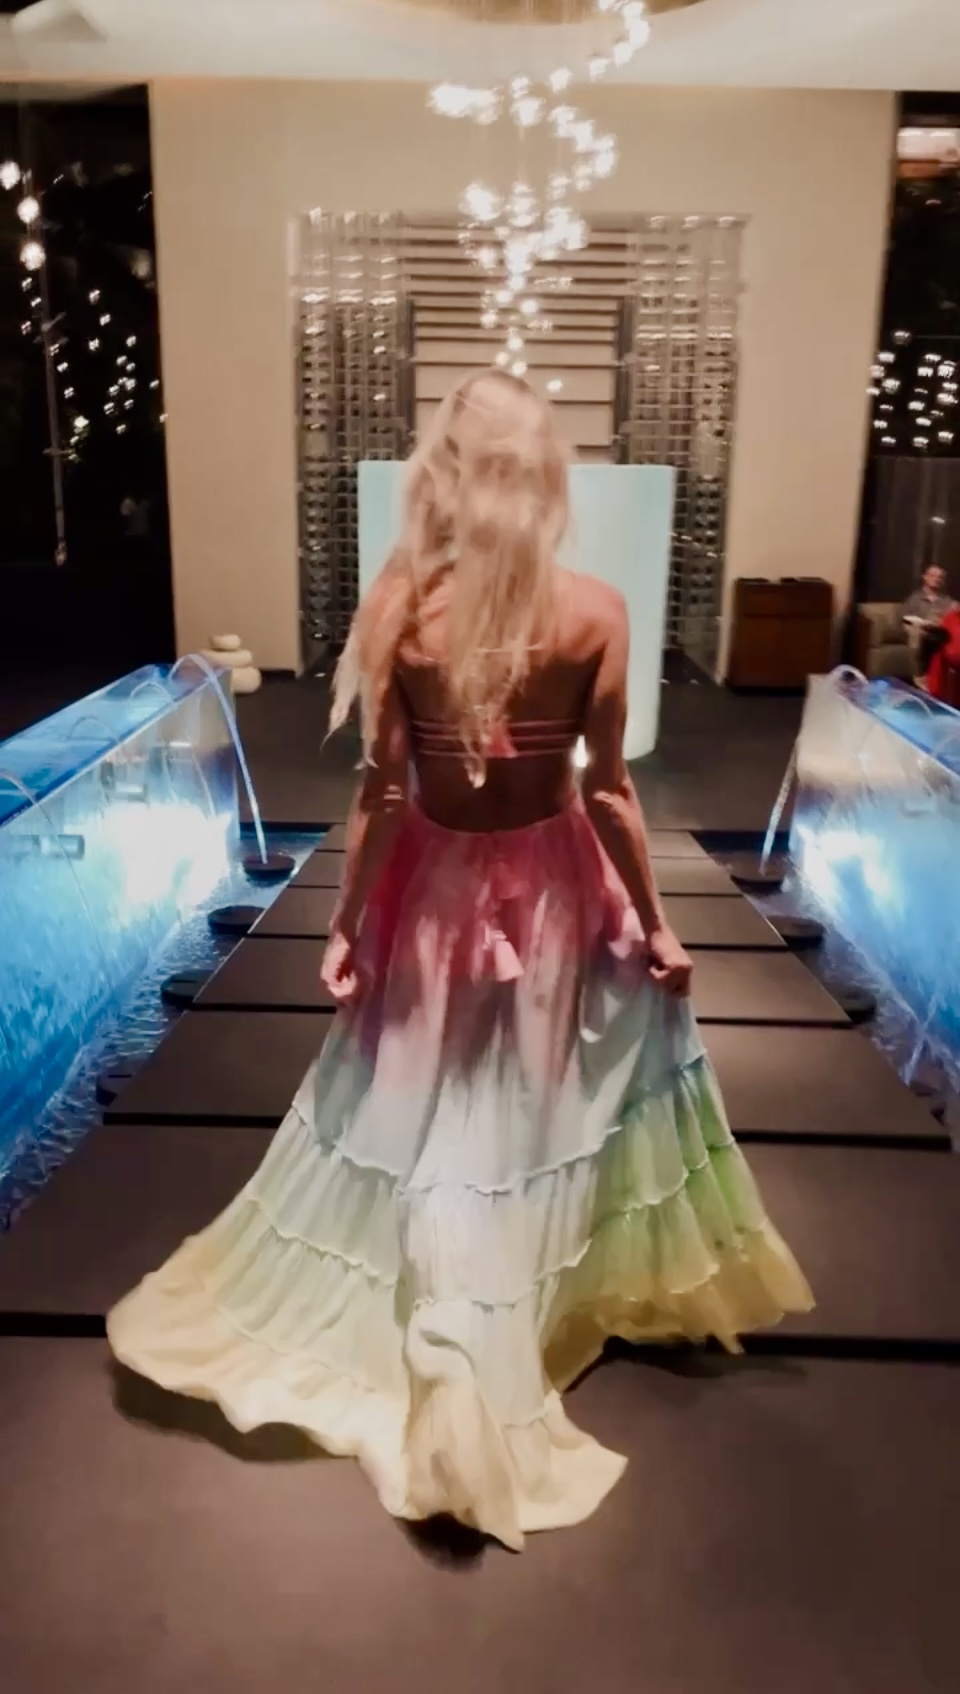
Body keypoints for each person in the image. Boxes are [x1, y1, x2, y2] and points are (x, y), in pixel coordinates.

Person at [108, 371, 812, 1550]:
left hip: (434, 886)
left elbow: (383, 789)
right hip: (553, 882)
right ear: (545, 479)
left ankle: (453, 1319)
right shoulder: (595, 611)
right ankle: (496, 1318)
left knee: (424, 1096)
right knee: (529, 1098)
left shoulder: (403, 609)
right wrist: (654, 922)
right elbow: (608, 790)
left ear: (443, 474)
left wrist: (345, 919)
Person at [901, 564, 955, 685]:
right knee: (916, 634)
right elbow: (904, 619)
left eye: (940, 577)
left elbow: (951, 619)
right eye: (933, 576)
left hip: (939, 633)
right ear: (925, 577)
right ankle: (919, 677)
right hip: (919, 632)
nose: (936, 579)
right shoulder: (915, 599)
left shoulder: (946, 601)